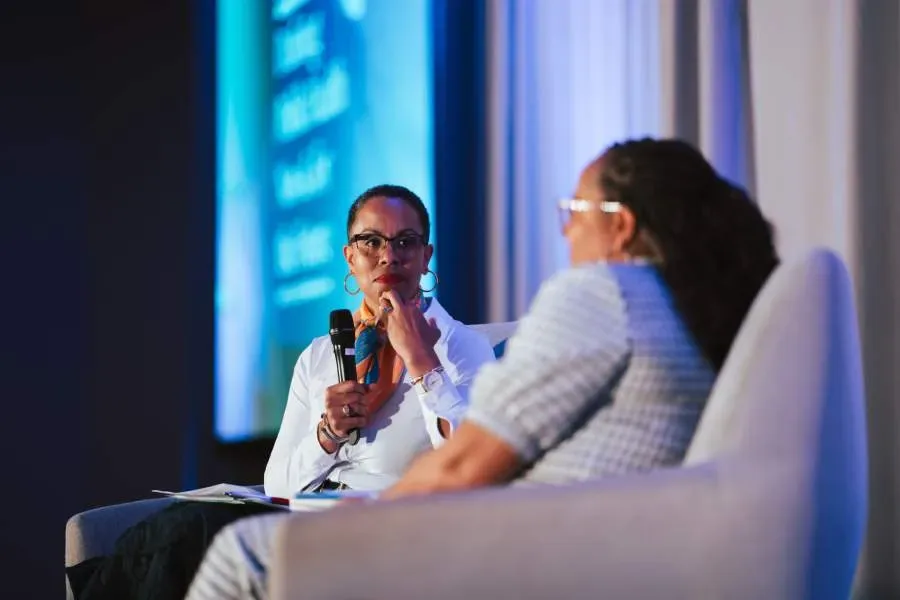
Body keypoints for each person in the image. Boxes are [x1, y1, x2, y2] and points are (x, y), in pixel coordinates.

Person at [185, 138, 780, 599]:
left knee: (241, 554)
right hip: (576, 543)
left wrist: (355, 523)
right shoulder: (692, 312)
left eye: (575, 210)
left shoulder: (601, 295)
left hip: (516, 549)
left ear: (619, 226)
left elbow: (466, 467)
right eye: (371, 243)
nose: (567, 228)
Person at [67, 184, 494, 600]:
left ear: (426, 256)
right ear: (350, 257)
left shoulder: (460, 347)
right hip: (305, 520)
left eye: (406, 241)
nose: (389, 255)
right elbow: (279, 483)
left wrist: (422, 362)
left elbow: (476, 465)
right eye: (370, 241)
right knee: (175, 531)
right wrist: (326, 434)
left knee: (187, 534)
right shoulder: (321, 353)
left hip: (387, 528)